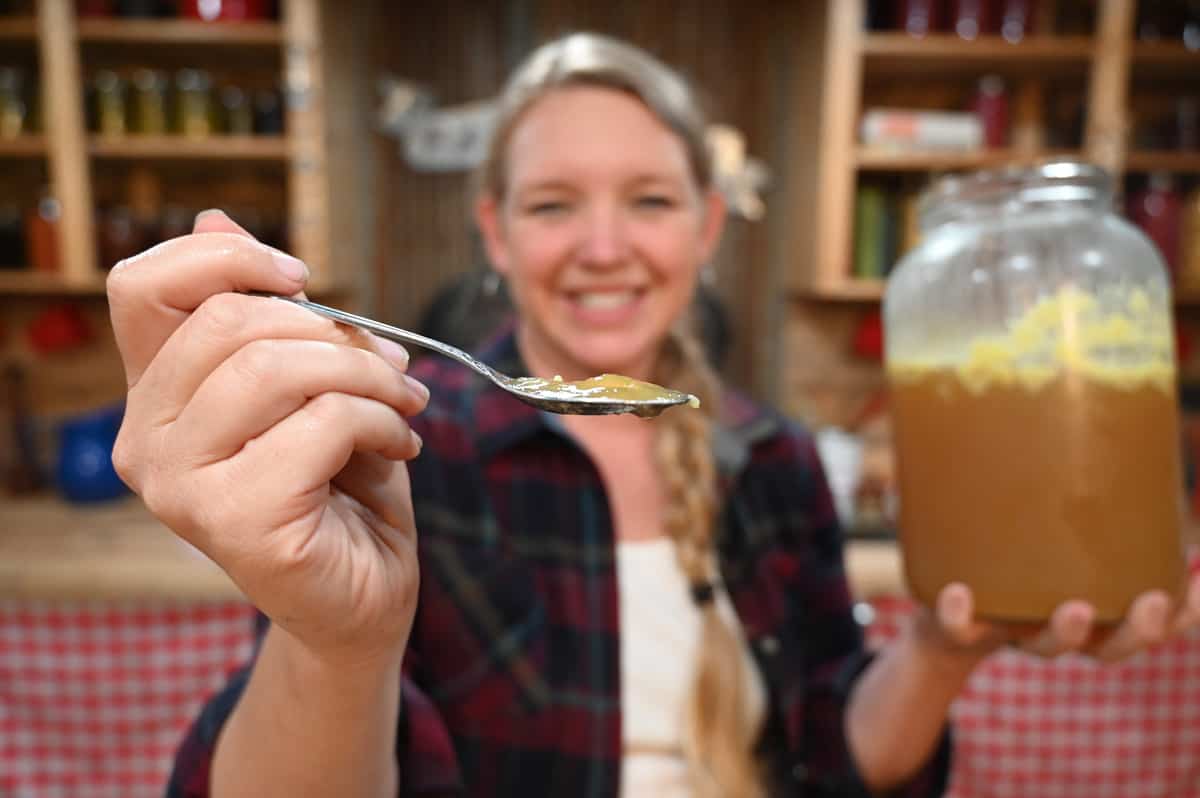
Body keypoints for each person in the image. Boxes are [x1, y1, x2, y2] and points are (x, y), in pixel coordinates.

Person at [104, 33, 1200, 798]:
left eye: (651, 200)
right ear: (494, 233)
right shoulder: (400, 453)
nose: (602, 248)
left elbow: (833, 764)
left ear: (708, 225)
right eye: (550, 205)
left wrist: (945, 649)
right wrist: (338, 647)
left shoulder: (773, 462)